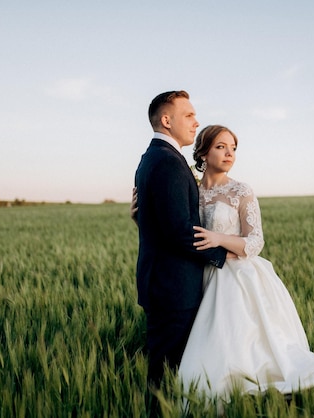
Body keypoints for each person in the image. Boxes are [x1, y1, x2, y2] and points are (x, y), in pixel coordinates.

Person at [134, 124, 314, 403]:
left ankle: (252, 392)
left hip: (238, 276)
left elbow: (254, 242)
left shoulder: (241, 191)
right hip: (202, 274)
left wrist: (219, 238)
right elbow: (175, 229)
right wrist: (141, 217)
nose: (229, 154)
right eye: (221, 147)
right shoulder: (191, 190)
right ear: (202, 152)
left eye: (233, 148)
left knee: (243, 342)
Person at [133, 91, 229, 410]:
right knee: (165, 379)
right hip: (173, 288)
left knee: (169, 375)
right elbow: (178, 230)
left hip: (165, 283)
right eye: (188, 115)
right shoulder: (168, 162)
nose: (196, 121)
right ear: (166, 120)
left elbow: (160, 223)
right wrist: (222, 255)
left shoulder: (155, 158)